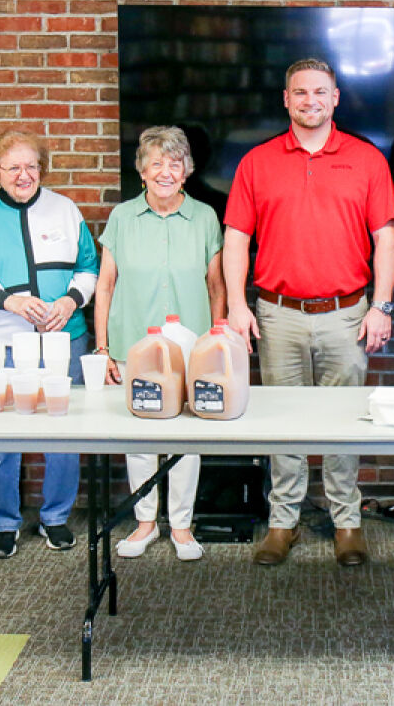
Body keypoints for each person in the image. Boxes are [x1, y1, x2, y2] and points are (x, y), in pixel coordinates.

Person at [224, 57, 394, 568]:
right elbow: (237, 239)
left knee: (345, 422)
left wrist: (381, 306)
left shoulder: (366, 160)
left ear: (336, 97)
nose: (310, 101)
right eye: (300, 93)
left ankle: (347, 522)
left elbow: (385, 239)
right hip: (278, 314)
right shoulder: (257, 162)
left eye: (320, 92)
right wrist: (237, 304)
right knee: (284, 422)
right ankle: (284, 522)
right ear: (286, 99)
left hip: (348, 313)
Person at [0, 130, 99, 559]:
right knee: (1, 434)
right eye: (12, 167)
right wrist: (7, 300)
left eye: (31, 166)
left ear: (42, 169)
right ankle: (5, 522)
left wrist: (70, 301)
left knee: (63, 433)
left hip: (62, 340)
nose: (23, 174)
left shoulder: (65, 210)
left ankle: (55, 518)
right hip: (0, 340)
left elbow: (88, 268)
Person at [94, 126, 224, 562]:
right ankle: (145, 522)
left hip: (192, 348)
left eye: (174, 163)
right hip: (136, 343)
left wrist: (218, 340)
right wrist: (102, 348)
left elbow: (216, 285)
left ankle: (182, 526)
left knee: (187, 437)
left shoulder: (205, 217)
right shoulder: (122, 218)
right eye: (156, 163)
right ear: (142, 171)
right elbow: (106, 285)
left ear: (186, 171)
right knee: (142, 436)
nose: (165, 171)